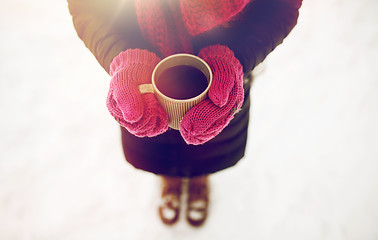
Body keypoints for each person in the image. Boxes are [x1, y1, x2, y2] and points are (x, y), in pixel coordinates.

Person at [67, 0, 303, 227]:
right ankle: (170, 179)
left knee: (210, 140)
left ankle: (200, 178)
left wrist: (238, 57)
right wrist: (121, 57)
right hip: (142, 81)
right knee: (153, 139)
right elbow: (85, 6)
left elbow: (282, 5)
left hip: (223, 77)